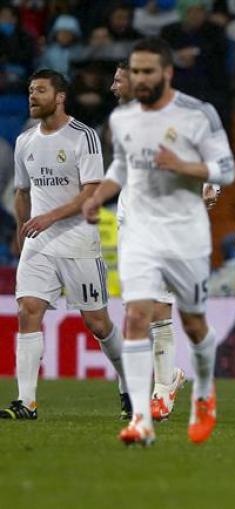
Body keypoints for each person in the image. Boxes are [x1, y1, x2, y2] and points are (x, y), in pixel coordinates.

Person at [81, 37, 235, 446]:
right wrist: (98, 196)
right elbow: (120, 165)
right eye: (133, 71)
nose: (136, 79)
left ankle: (202, 390)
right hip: (140, 231)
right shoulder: (122, 120)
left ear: (166, 72)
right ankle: (141, 417)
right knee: (136, 317)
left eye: (146, 71)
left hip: (184, 233)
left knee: (194, 322)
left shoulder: (197, 114)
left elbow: (225, 168)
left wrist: (188, 169)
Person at [2, 69, 129, 421]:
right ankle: (26, 402)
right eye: (30, 90)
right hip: (39, 243)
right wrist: (20, 229)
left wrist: (49, 218)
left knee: (98, 323)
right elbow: (21, 191)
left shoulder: (83, 137)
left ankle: (129, 384)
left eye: (40, 90)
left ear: (59, 97)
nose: (32, 96)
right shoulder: (25, 140)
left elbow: (91, 193)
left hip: (77, 242)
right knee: (29, 309)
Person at [109, 60, 200, 422]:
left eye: (118, 81)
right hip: (130, 222)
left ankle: (163, 390)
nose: (113, 88)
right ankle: (168, 377)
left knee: (158, 308)